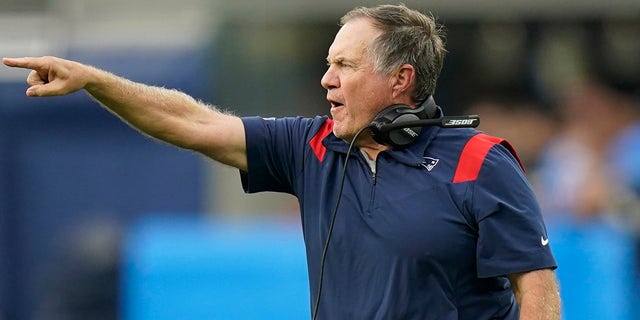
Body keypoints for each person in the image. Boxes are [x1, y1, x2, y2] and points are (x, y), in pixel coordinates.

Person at [3, 4, 560, 319]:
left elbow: (534, 287)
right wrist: (94, 80)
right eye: (327, 63)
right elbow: (190, 121)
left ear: (400, 80)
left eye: (344, 65)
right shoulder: (311, 145)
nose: (327, 79)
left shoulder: (480, 161)